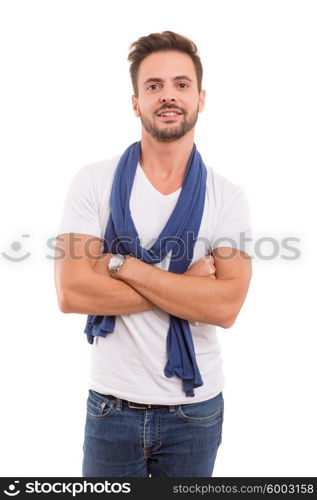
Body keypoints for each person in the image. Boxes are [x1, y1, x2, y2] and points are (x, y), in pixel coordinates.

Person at [54, 30, 252, 477]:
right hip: (111, 407)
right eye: (154, 86)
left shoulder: (228, 197)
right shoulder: (93, 181)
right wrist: (186, 287)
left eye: (181, 85)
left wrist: (117, 266)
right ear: (135, 101)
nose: (168, 96)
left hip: (194, 412)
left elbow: (226, 306)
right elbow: (71, 292)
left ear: (201, 99)